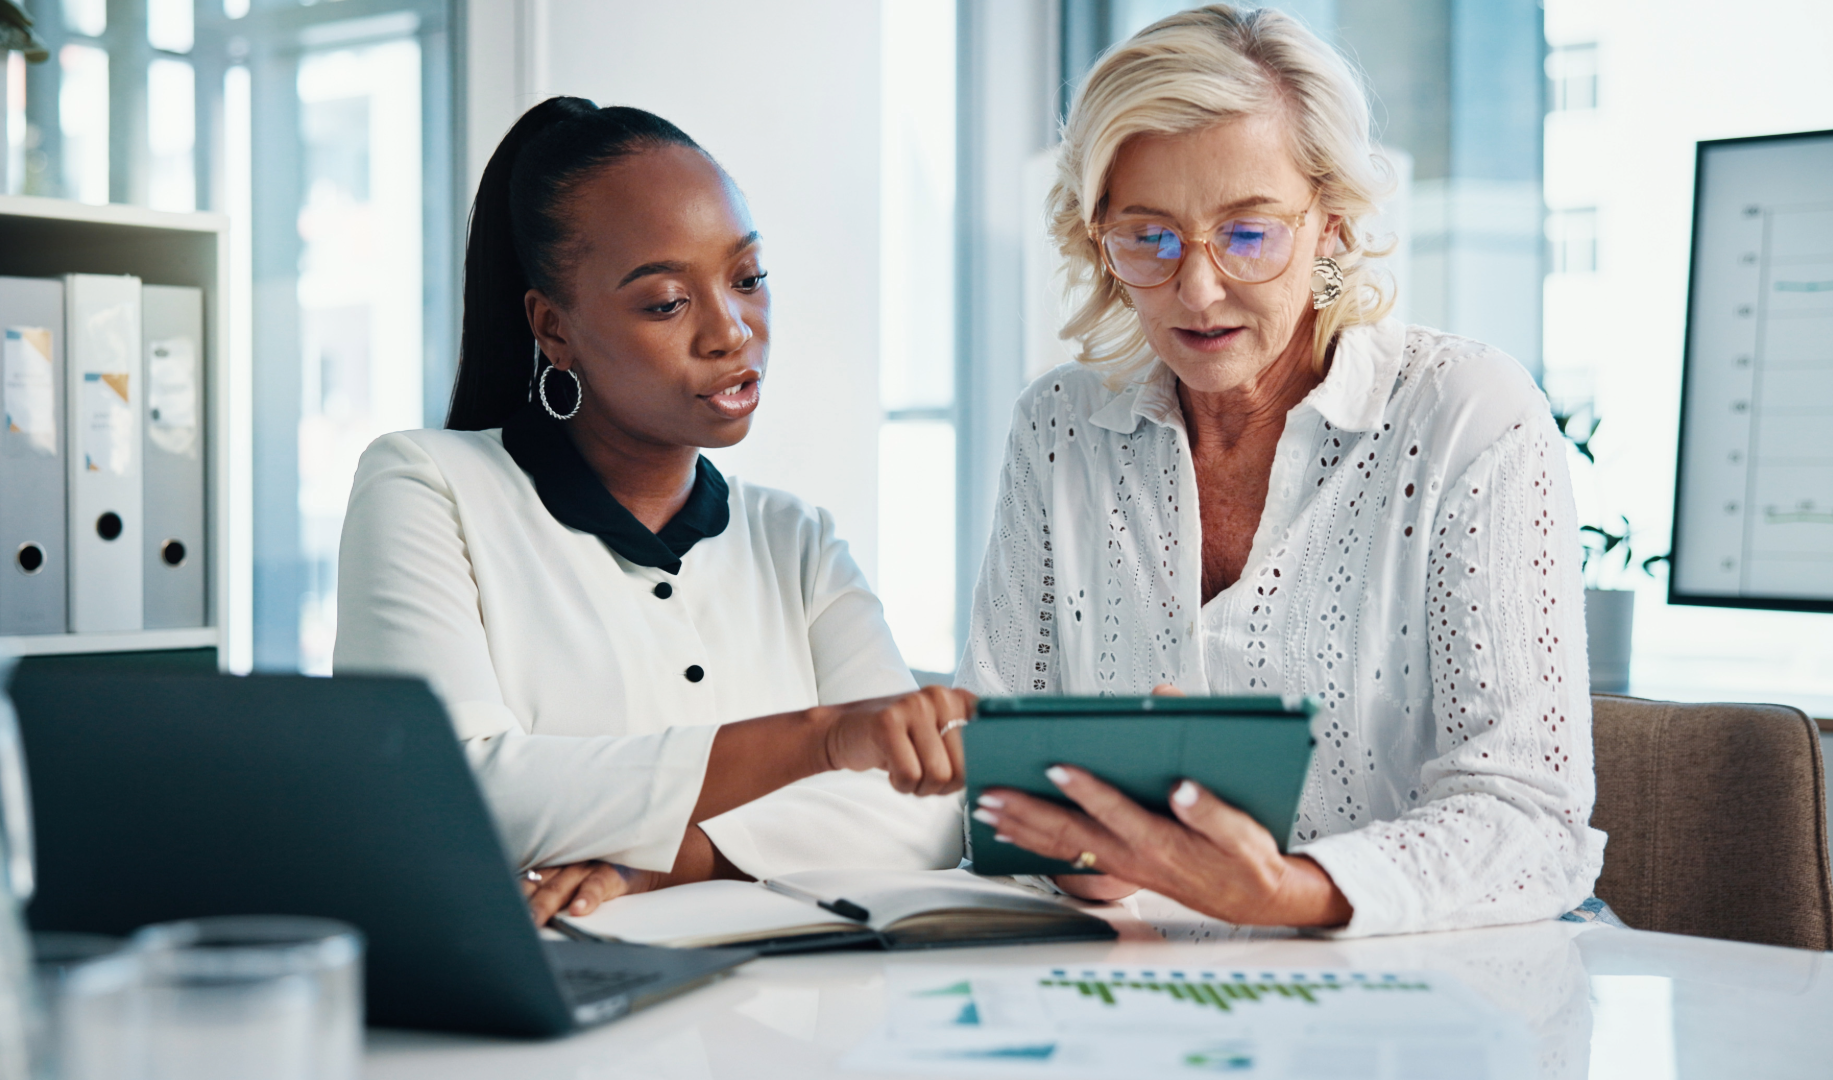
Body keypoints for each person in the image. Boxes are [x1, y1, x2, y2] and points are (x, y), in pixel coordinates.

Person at [958, 5, 1604, 936]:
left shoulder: (1468, 411)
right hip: (1162, 973)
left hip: (1453, 988)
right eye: (1150, 237)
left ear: (1331, 227)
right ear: (1095, 234)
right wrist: (1077, 860)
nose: (1198, 288)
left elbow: (1527, 813)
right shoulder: (1059, 425)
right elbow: (999, 755)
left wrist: (1286, 892)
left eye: (1249, 233)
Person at [333, 97, 969, 924]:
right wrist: (818, 742)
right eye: (669, 301)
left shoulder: (797, 541)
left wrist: (663, 868)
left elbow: (924, 810)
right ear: (553, 330)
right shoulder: (428, 486)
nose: (732, 331)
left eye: (747, 278)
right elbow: (442, 792)